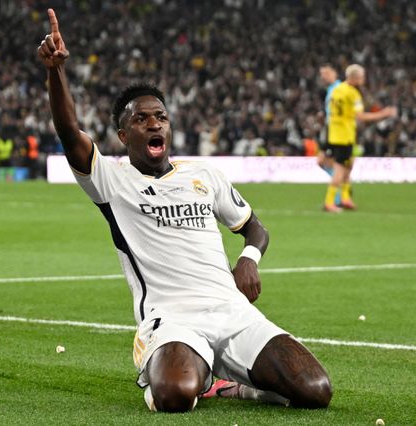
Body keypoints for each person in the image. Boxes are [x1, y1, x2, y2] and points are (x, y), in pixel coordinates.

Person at [38, 9, 332, 413]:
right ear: (123, 135)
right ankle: (190, 371)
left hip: (232, 312)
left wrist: (249, 258)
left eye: (161, 117)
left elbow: (255, 228)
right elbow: (69, 132)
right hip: (172, 319)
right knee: (175, 395)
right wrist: (56, 71)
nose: (154, 124)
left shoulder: (204, 175)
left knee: (316, 390)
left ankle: (235, 386)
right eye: (141, 119)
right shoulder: (112, 180)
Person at [323, 64, 397, 212]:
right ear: (355, 78)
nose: (363, 80)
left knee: (348, 166)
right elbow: (361, 116)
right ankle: (329, 202)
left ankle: (345, 198)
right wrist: (384, 113)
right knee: (340, 169)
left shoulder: (337, 90)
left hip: (334, 133)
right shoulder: (353, 94)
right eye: (362, 77)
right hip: (344, 136)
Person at [317, 64, 341, 203]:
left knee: (330, 163)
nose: (323, 77)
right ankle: (341, 192)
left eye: (326, 73)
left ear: (334, 72)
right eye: (321, 74)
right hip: (329, 129)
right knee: (324, 162)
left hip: (334, 131)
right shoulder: (330, 89)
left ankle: (337, 198)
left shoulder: (338, 89)